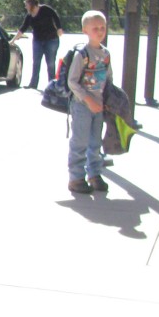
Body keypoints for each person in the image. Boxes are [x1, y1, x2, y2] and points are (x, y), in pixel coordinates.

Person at [67, 10, 113, 194]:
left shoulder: (106, 54)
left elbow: (108, 79)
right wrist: (88, 99)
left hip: (99, 105)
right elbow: (72, 81)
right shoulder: (82, 54)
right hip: (82, 105)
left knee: (95, 142)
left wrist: (108, 99)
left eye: (102, 27)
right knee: (80, 142)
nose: (100, 31)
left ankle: (94, 175)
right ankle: (76, 178)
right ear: (85, 30)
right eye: (95, 28)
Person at [12, 0, 64, 89]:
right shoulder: (29, 16)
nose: (26, 7)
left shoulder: (45, 9)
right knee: (36, 62)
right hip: (38, 41)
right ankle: (33, 84)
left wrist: (59, 28)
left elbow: (55, 16)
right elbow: (23, 28)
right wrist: (13, 40)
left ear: (32, 5)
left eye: (27, 5)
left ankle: (52, 85)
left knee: (50, 63)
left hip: (51, 40)